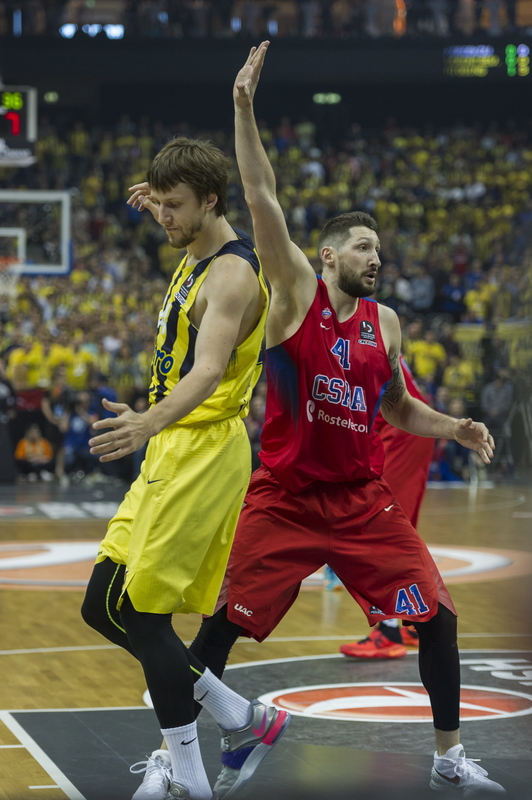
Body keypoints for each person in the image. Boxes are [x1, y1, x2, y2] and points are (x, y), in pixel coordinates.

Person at [181, 42, 503, 799]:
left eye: (380, 249)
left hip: (362, 502)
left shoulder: (385, 323)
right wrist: (243, 109)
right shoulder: (296, 295)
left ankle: (449, 757)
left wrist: (452, 426)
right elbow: (261, 196)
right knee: (216, 633)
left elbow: (395, 407)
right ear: (326, 255)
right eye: (363, 246)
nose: (376, 257)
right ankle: (181, 753)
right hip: (286, 497)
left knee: (442, 618)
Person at [80, 136, 288, 800]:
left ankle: (189, 779)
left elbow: (205, 371)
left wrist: (145, 421)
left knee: (143, 617)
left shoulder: (230, 274)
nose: (164, 216)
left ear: (210, 201)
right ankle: (242, 716)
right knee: (100, 605)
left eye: (175, 206)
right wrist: (157, 205)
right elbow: (177, 215)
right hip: (173, 448)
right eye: (158, 203)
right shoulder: (193, 243)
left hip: (201, 448)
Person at [339, 356, 434, 659]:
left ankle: (389, 631)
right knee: (397, 528)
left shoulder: (344, 334)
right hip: (408, 430)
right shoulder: (369, 328)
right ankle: (411, 621)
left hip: (402, 431)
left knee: (384, 533)